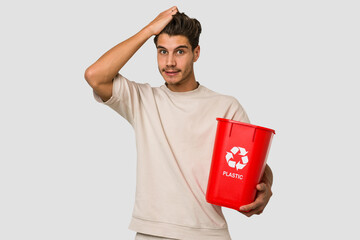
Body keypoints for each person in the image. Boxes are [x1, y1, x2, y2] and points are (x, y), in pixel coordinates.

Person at [84, 6, 273, 240]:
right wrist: (148, 30)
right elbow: (95, 75)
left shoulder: (226, 106)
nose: (170, 62)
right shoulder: (142, 100)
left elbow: (254, 165)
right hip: (153, 232)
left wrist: (266, 187)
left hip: (209, 232)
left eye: (180, 52)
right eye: (162, 51)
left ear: (196, 53)